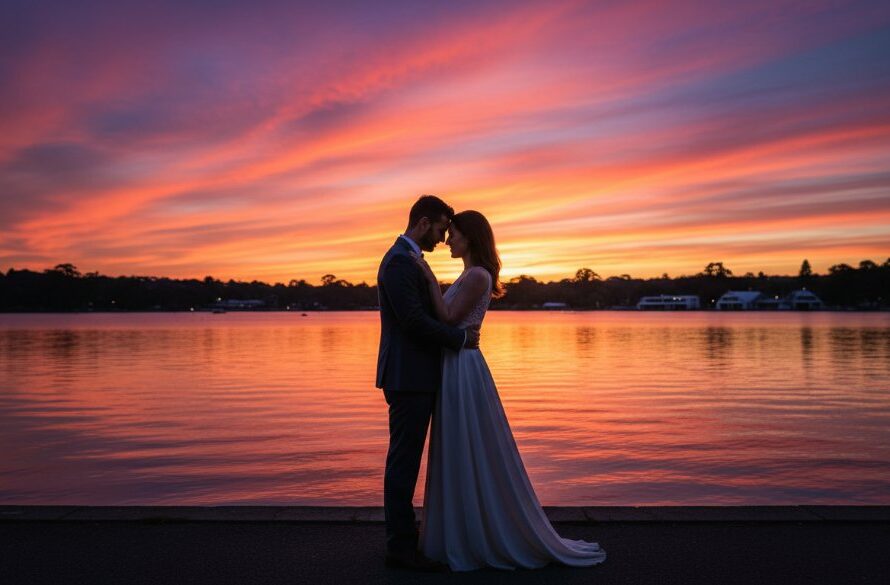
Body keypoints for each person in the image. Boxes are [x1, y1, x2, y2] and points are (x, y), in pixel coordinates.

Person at [414, 210, 607, 571]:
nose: (447, 240)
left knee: (468, 443)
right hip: (456, 363)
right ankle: (461, 530)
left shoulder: (476, 276)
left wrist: (427, 280)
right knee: (459, 445)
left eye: (453, 234)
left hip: (463, 369)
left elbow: (450, 318)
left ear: (470, 237)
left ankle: (478, 534)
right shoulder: (469, 274)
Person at [375, 195, 480, 572]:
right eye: (439, 229)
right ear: (422, 223)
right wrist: (460, 340)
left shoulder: (408, 261)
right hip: (408, 377)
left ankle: (406, 540)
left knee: (406, 461)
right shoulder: (400, 263)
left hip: (416, 374)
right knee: (403, 463)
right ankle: (400, 550)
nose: (441, 238)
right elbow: (413, 321)